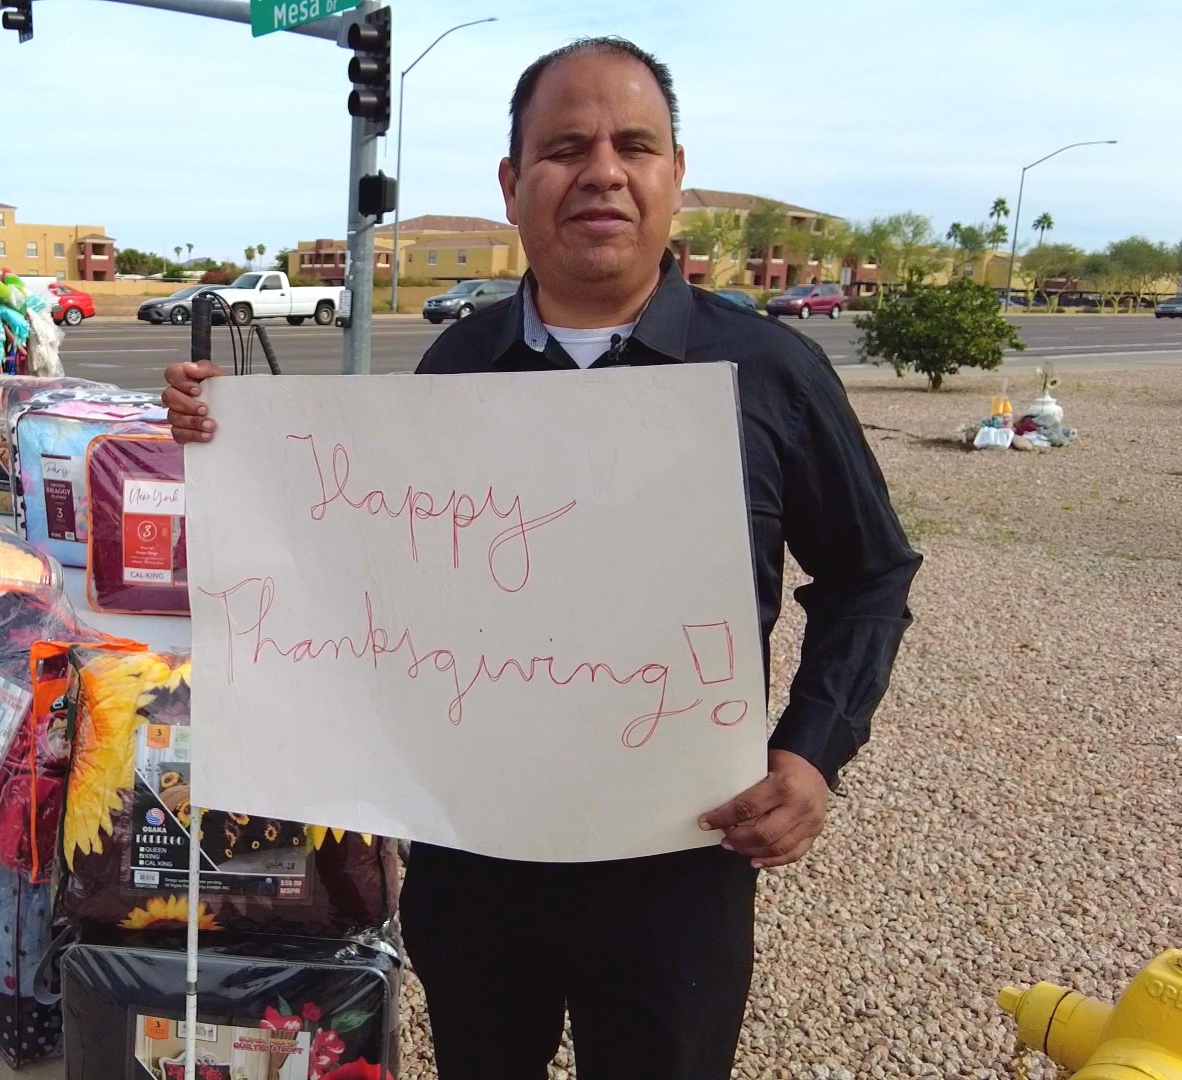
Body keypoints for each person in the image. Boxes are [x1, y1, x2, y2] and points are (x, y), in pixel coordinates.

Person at [161, 36, 920, 1080]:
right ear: (514, 186)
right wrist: (229, 443)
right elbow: (362, 569)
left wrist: (812, 750)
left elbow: (870, 576)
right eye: (565, 147)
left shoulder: (769, 372)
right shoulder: (455, 368)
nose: (601, 170)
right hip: (477, 858)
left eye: (634, 145)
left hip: (678, 860)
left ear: (674, 179)